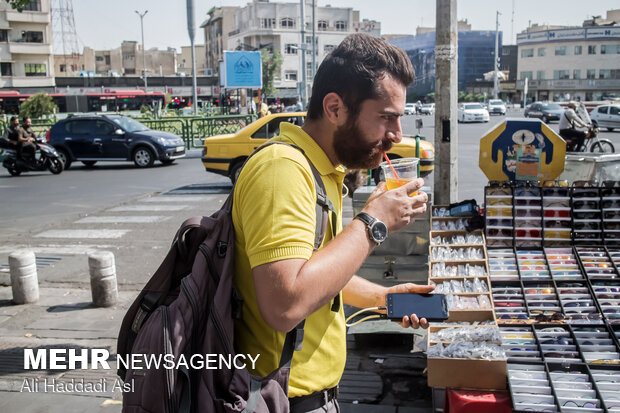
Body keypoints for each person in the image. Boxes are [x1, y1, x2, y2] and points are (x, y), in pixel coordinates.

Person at [232, 33, 433, 413]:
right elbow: (285, 304)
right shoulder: (283, 171)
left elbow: (315, 270)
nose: (397, 135)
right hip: (282, 399)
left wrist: (382, 297)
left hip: (311, 396)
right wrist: (372, 224)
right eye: (386, 118)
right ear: (335, 108)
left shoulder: (321, 168)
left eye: (399, 119)